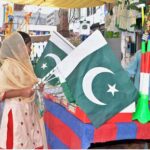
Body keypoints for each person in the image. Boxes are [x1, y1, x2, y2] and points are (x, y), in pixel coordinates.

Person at [0, 31, 44, 149]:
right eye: (29, 47)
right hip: (16, 113)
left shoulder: (25, 65)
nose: (30, 51)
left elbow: (30, 85)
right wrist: (22, 92)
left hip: (29, 110)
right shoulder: (9, 65)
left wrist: (37, 87)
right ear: (20, 46)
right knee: (17, 143)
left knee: (31, 142)